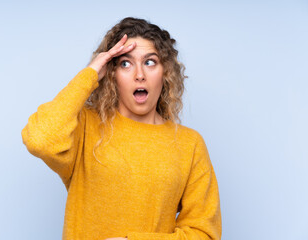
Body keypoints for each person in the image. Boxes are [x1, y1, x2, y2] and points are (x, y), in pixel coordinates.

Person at [21, 17, 222, 240]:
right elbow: (40, 139)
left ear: (165, 73)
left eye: (150, 62)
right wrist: (90, 74)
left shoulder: (189, 144)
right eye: (125, 63)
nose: (139, 75)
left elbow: (204, 234)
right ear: (112, 73)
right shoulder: (86, 127)